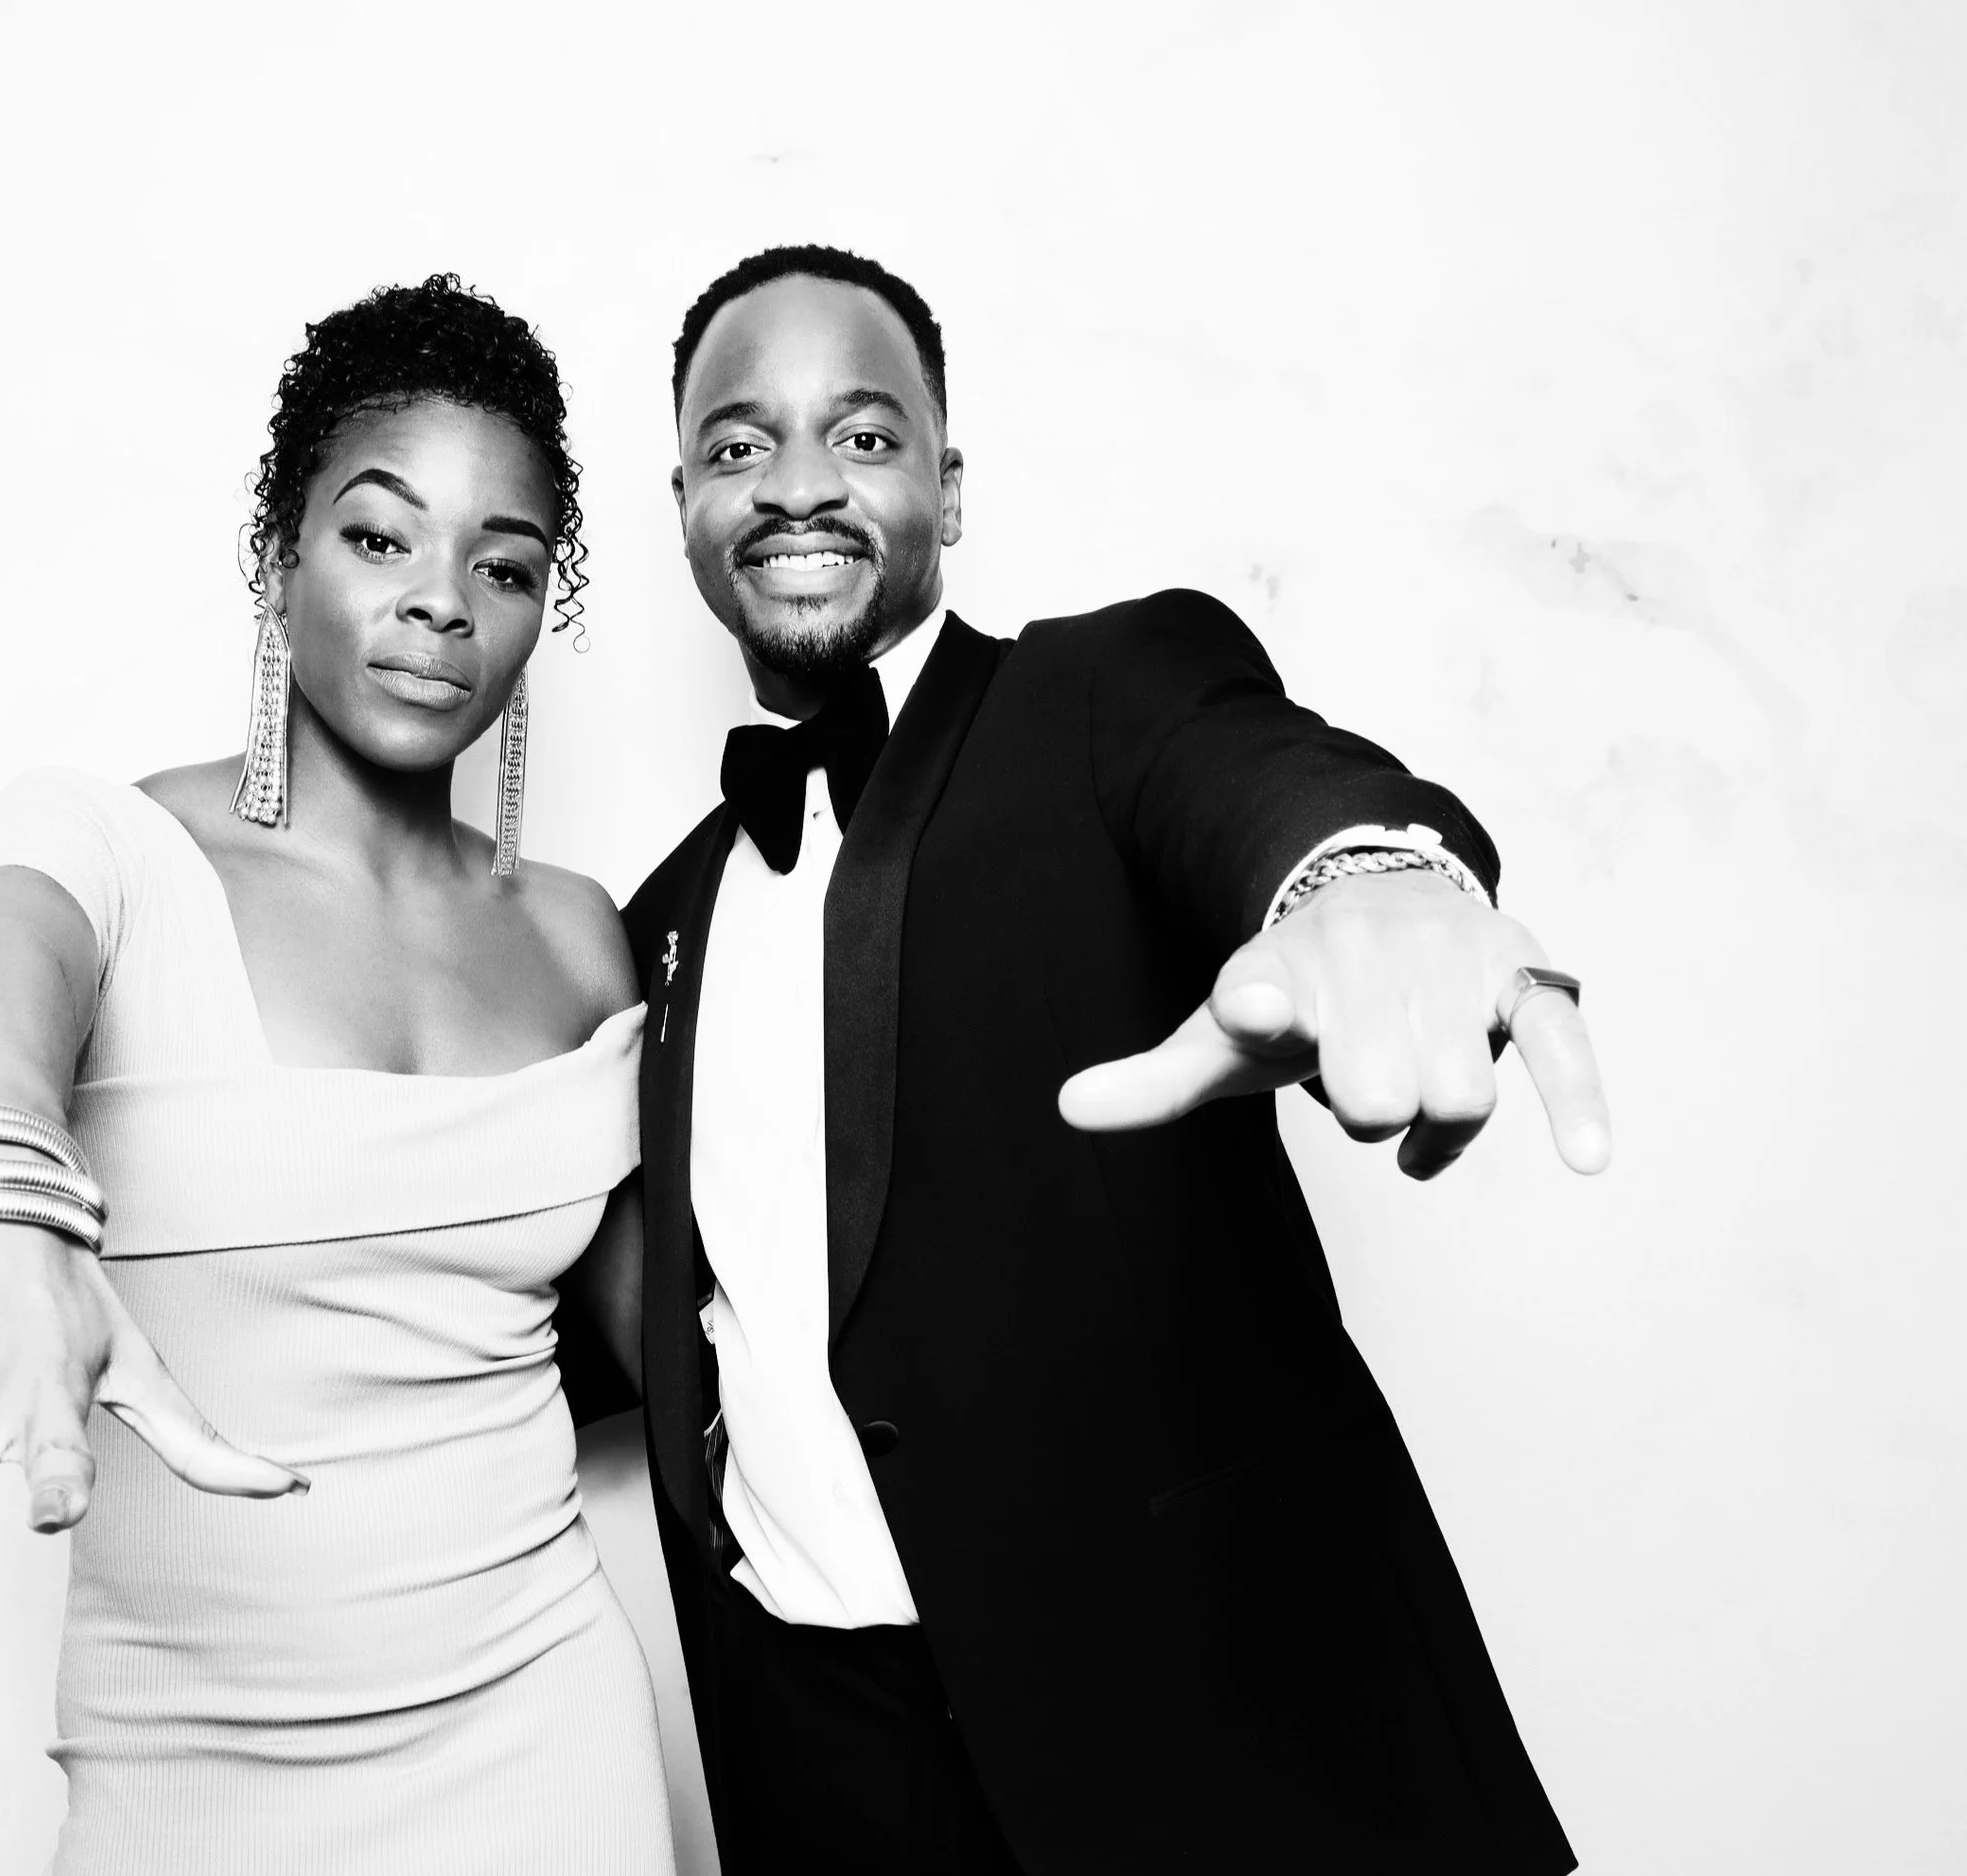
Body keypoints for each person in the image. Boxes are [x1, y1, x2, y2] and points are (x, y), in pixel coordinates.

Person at [616, 245, 1607, 1873]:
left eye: (862, 437)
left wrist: (1360, 874)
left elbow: (1257, 781)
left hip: (1220, 1752)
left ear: (951, 482)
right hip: (833, 1780)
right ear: (684, 505)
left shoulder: (1101, 694)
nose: (797, 486)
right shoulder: (665, 919)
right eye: (741, 446)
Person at [0, 277, 674, 1874]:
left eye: (506, 564)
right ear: (280, 562)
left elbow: (670, 1344)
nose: (442, 603)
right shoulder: (113, 848)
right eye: (380, 537)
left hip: (543, 1731)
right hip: (188, 1771)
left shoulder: (579, 938)